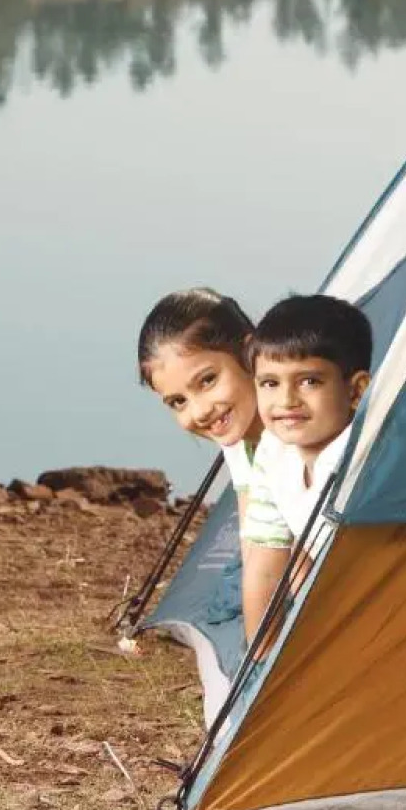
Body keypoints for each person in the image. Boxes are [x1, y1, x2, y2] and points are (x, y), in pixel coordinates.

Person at [136, 288, 293, 722]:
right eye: (178, 402)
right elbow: (253, 531)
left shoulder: (294, 432)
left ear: (250, 353)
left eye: (207, 380)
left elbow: (286, 557)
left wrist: (263, 656)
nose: (200, 411)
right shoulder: (241, 439)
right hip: (279, 554)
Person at [241, 294, 373, 652]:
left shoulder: (365, 458)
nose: (286, 401)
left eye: (309, 382)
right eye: (269, 383)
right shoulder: (272, 449)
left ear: (356, 390)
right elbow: (265, 562)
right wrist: (259, 660)